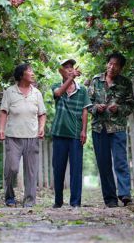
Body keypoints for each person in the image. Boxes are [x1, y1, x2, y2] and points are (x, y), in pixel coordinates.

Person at [88, 51, 134, 207]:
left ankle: (125, 194)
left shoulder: (125, 83)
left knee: (120, 161)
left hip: (117, 127)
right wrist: (96, 108)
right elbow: (87, 103)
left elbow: (130, 105)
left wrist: (118, 108)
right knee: (104, 163)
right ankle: (110, 199)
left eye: (116, 65)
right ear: (107, 64)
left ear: (121, 68)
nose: (112, 67)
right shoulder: (95, 81)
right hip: (99, 128)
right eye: (110, 63)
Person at [0, 63, 47, 207]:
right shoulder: (10, 92)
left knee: (31, 172)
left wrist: (41, 127)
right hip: (13, 136)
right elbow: (3, 112)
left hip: (32, 137)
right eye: (29, 71)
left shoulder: (36, 93)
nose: (32, 73)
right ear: (21, 75)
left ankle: (29, 201)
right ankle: (9, 196)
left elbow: (42, 114)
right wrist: (1, 129)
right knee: (12, 168)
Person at [51, 58, 92, 208]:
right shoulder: (56, 86)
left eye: (71, 67)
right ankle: (58, 201)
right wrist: (71, 78)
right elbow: (59, 93)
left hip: (75, 135)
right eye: (66, 67)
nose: (69, 69)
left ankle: (75, 202)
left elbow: (85, 110)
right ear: (60, 71)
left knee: (76, 169)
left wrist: (84, 130)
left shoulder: (82, 90)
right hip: (59, 133)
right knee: (58, 168)